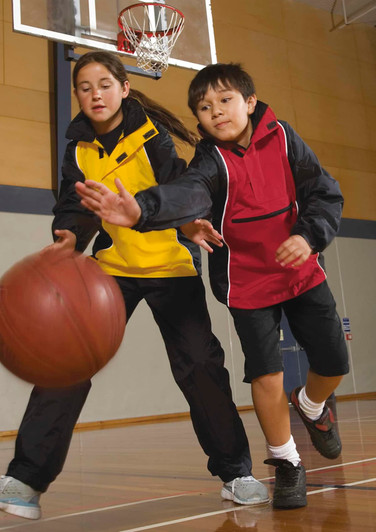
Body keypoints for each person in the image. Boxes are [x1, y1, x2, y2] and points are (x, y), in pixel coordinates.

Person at [0, 54, 269, 521]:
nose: (94, 94)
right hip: (113, 268)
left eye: (104, 84)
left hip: (169, 266)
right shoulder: (78, 149)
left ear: (124, 89)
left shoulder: (153, 138)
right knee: (66, 362)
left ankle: (236, 473)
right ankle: (25, 480)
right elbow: (74, 203)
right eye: (84, 88)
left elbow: (178, 192)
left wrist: (187, 226)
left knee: (200, 367)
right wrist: (68, 235)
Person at [76, 62, 350, 510]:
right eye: (204, 107)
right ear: (199, 120)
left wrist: (308, 235)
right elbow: (188, 192)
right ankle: (286, 463)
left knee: (334, 361)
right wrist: (142, 211)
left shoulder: (283, 139)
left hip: (301, 270)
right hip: (247, 283)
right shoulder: (210, 160)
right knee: (265, 373)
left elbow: (324, 192)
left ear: (249, 103)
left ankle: (313, 405)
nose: (216, 112)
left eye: (225, 100)